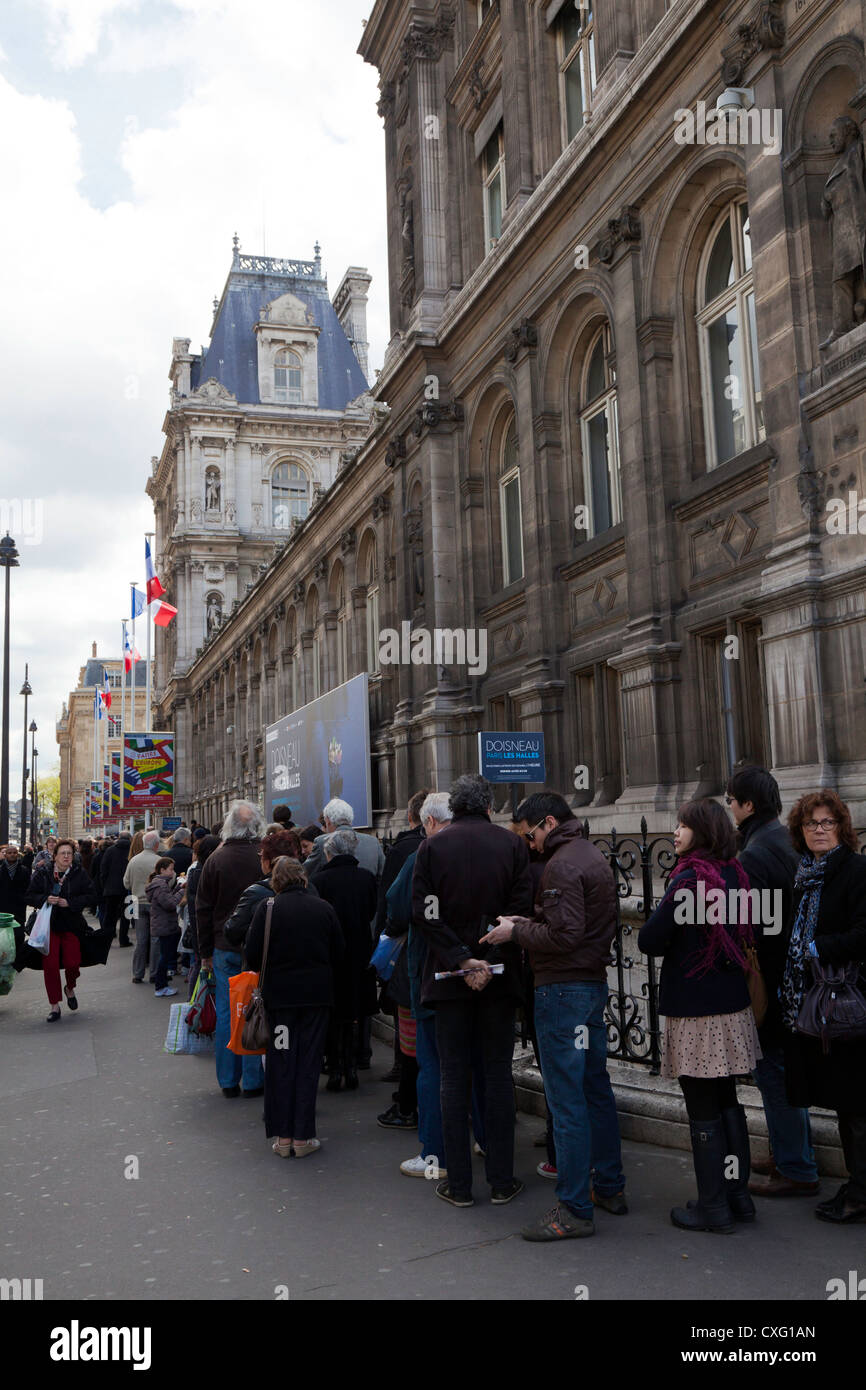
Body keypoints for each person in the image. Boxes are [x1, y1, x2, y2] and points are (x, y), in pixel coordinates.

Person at [484, 791, 626, 1240]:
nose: (529, 845)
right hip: (589, 986)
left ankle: (573, 1209)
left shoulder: (562, 864)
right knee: (594, 1089)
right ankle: (609, 1185)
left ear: (547, 822)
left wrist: (515, 930)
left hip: (562, 989)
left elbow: (564, 935)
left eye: (530, 834)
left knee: (567, 1101)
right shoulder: (590, 855)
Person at [638, 798, 760, 1234]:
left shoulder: (691, 880)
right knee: (728, 1100)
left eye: (683, 825)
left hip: (696, 1012)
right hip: (730, 1006)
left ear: (702, 831)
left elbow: (650, 940)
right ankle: (736, 1195)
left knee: (702, 1106)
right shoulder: (734, 873)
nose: (675, 831)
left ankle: (712, 1206)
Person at [413, 773, 533, 1208]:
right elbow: (520, 908)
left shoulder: (432, 847)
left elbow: (424, 913)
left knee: (453, 1076)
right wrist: (485, 955)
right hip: (499, 976)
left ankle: (459, 1185)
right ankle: (501, 1180)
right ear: (488, 806)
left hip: (449, 980)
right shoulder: (512, 845)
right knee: (498, 1075)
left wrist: (461, 959)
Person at [726, 766, 819, 1199]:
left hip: (776, 980)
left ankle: (795, 1167)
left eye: (732, 800)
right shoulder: (785, 841)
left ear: (748, 806)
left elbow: (755, 928)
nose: (728, 807)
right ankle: (790, 1152)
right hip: (799, 977)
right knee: (785, 1071)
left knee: (774, 1072)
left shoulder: (756, 853)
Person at [781, 791, 866, 1223]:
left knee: (856, 1105)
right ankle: (856, 1186)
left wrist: (815, 946)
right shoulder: (806, 875)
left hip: (850, 1007)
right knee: (844, 1103)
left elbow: (863, 933)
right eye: (811, 823)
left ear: (841, 827)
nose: (818, 829)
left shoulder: (855, 870)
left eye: (827, 822)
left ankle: (860, 1193)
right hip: (819, 1006)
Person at [246, 856, 345, 1158]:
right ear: (303, 878)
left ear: (275, 880)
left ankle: (283, 1136)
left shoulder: (268, 909)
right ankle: (303, 1136)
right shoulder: (323, 908)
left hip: (280, 1002)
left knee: (282, 1062)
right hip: (315, 1000)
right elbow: (339, 953)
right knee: (308, 1063)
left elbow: (251, 955)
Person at [195, 801, 266, 1098]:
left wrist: (205, 952)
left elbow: (203, 909)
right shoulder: (264, 856)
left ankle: (227, 1079)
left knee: (227, 1012)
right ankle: (253, 1080)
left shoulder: (216, 859)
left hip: (224, 945)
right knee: (255, 1009)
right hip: (260, 946)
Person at [313, 829, 378, 1091]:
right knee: (354, 1011)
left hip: (330, 954)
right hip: (360, 951)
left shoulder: (320, 880)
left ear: (330, 853)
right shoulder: (366, 878)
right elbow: (373, 910)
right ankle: (352, 1066)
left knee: (334, 1010)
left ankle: (335, 1066)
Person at [375, 788, 430, 1082]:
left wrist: (382, 939)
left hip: (412, 949)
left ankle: (405, 1079)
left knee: (407, 1015)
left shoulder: (405, 851)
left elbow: (391, 904)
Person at [26, 839, 97, 1021]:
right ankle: (54, 1006)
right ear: (54, 856)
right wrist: (45, 899)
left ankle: (69, 987)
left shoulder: (78, 873)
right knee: (50, 966)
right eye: (62, 853)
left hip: (71, 924)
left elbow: (91, 896)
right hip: (48, 926)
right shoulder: (43, 873)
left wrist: (70, 903)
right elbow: (29, 896)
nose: (66, 856)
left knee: (73, 962)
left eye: (69, 854)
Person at [223, 829, 307, 953]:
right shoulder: (308, 887)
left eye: (261, 856)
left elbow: (232, 931)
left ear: (268, 862)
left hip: (267, 964)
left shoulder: (255, 892)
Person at [303, 799, 384, 886]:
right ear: (350, 819)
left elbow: (304, 873)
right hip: (368, 896)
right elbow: (384, 875)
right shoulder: (373, 842)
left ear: (328, 821)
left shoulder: (321, 842)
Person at [183, 833, 220, 997]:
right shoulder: (203, 874)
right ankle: (195, 1005)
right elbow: (203, 911)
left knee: (198, 967)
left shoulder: (196, 871)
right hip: (204, 934)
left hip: (201, 932)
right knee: (200, 968)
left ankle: (194, 1005)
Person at [123, 830, 162, 984]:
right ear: (156, 845)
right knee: (155, 940)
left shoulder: (133, 861)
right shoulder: (160, 861)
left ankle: (137, 973)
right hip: (155, 904)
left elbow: (126, 882)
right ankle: (154, 973)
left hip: (137, 902)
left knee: (140, 940)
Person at [146, 857, 184, 997]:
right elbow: (169, 904)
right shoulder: (160, 885)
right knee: (165, 956)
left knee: (165, 955)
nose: (173, 872)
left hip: (163, 924)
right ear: (162, 870)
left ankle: (161, 985)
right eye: (171, 869)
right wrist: (181, 892)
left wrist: (178, 888)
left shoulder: (160, 884)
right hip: (165, 925)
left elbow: (167, 899)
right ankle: (160, 986)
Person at [97, 831, 133, 946]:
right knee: (127, 915)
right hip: (128, 889)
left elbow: (103, 870)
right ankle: (124, 939)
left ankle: (107, 938)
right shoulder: (133, 851)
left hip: (111, 889)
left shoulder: (110, 850)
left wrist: (105, 886)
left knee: (110, 915)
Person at [0, 842, 30, 926]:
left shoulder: (24, 870)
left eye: (14, 853)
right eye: (9, 853)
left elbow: (28, 887)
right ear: (5, 855)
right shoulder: (0, 870)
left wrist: (24, 899)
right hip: (3, 909)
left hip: (19, 908)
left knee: (19, 934)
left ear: (18, 854)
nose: (12, 855)